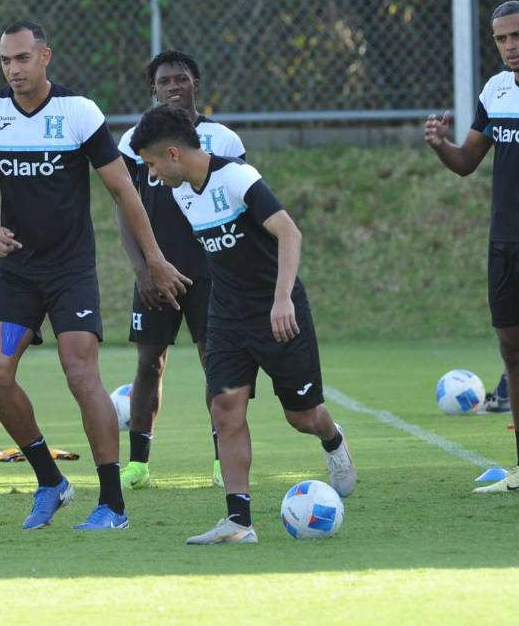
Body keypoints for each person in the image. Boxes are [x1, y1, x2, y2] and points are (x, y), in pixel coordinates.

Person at [0, 21, 189, 531]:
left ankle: (112, 503)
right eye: (6, 61)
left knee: (80, 373)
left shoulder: (77, 114)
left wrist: (154, 259)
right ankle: (51, 481)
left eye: (23, 58)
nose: (14, 69)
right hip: (16, 273)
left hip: (70, 272)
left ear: (46, 56)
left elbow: (124, 191)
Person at [129, 104, 356, 545]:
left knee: (301, 416)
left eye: (153, 163)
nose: (152, 175)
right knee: (225, 410)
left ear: (173, 154)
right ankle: (238, 522)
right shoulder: (181, 192)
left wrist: (282, 298)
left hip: (279, 313)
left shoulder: (237, 178)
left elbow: (290, 233)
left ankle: (332, 439)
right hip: (227, 317)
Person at [423, 0, 519, 497]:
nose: (513, 47)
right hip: (503, 241)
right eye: (502, 39)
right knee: (514, 350)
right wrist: (440, 145)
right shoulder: (494, 89)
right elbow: (468, 160)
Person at [115, 50, 245, 491]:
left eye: (181, 78)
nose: (173, 86)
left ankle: (219, 459)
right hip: (156, 271)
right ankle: (137, 464)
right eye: (164, 80)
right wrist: (142, 268)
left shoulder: (221, 139)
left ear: (196, 84)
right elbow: (124, 208)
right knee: (150, 364)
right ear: (153, 89)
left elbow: (240, 200)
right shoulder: (135, 140)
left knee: (217, 364)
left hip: (210, 272)